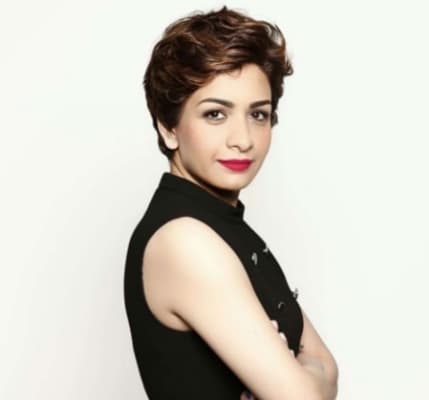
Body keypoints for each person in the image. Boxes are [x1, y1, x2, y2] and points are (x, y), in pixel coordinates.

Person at [123, 5, 338, 399]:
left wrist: (305, 373)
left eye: (258, 114)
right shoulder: (185, 240)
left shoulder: (226, 226)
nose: (243, 139)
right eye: (215, 114)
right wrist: (299, 370)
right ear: (168, 127)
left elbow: (328, 368)